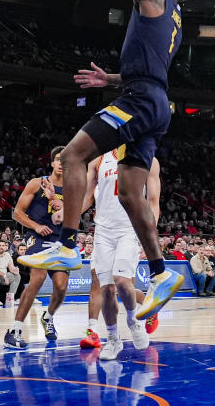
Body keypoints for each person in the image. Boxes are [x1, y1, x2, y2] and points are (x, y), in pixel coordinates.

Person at [19, 0, 196, 322]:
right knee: (129, 192)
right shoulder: (175, 19)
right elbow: (152, 67)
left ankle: (64, 244)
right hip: (156, 102)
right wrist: (113, 78)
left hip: (139, 100)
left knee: (74, 154)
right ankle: (159, 272)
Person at [79, 149, 160, 359]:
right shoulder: (98, 159)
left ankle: (133, 321)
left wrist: (148, 236)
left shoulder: (148, 159)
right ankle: (113, 340)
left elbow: (153, 201)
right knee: (106, 290)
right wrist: (68, 213)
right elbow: (87, 196)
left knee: (123, 281)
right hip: (103, 231)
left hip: (129, 229)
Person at [5, 148, 71, 349]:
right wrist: (35, 226)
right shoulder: (37, 183)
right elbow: (17, 213)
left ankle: (48, 317)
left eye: (65, 161)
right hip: (38, 237)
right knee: (38, 278)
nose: (61, 163)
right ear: (52, 163)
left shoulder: (72, 189)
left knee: (61, 287)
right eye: (58, 160)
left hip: (60, 240)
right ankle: (14, 330)